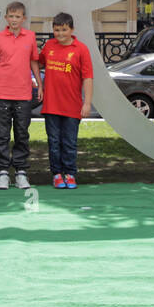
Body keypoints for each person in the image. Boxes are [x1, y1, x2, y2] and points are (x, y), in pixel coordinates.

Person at [0, 1, 41, 190]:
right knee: (1, 135)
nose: (14, 20)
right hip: (2, 93)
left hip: (23, 93)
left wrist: (39, 84)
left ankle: (21, 173)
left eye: (17, 17)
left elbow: (34, 61)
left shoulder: (30, 37)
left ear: (23, 19)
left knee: (21, 134)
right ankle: (3, 173)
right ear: (6, 18)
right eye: (11, 16)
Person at [38, 12, 94, 189]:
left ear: (72, 29)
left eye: (64, 30)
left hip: (72, 106)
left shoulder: (81, 49)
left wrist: (87, 103)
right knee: (53, 143)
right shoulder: (49, 46)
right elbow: (36, 63)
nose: (60, 34)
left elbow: (88, 77)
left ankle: (70, 174)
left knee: (69, 142)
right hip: (51, 105)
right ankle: (56, 174)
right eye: (56, 30)